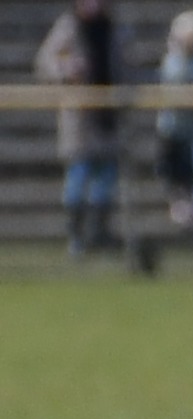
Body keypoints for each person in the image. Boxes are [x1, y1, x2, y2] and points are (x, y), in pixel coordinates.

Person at [35, 0, 117, 260]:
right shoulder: (69, 26)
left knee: (106, 175)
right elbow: (44, 61)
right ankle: (76, 236)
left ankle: (99, 232)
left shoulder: (111, 27)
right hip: (79, 116)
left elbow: (122, 63)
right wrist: (67, 68)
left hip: (106, 114)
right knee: (78, 174)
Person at [152, 8, 193, 230]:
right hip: (172, 129)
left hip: (192, 130)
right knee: (172, 173)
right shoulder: (173, 62)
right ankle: (180, 209)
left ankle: (191, 212)